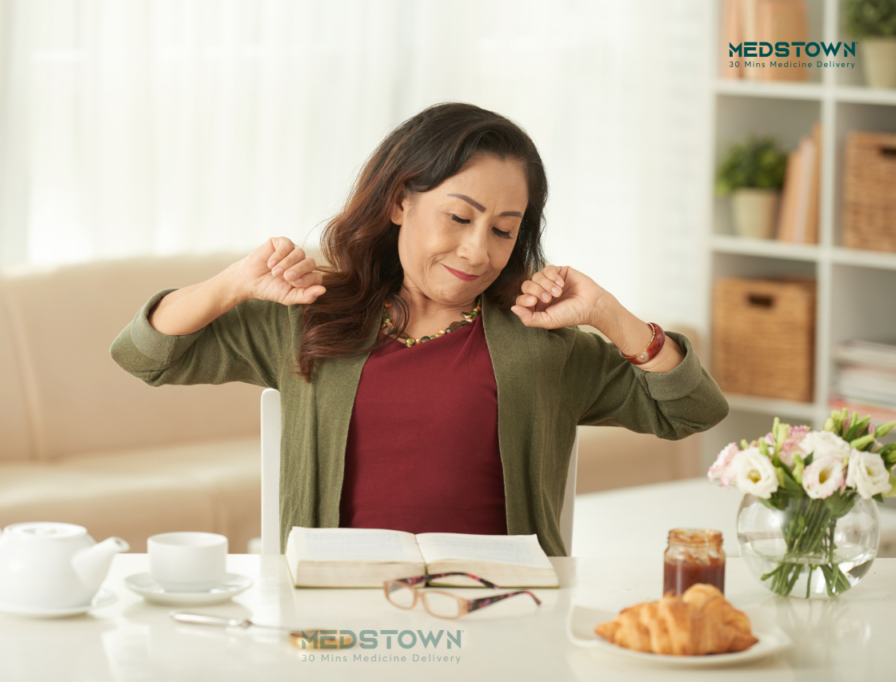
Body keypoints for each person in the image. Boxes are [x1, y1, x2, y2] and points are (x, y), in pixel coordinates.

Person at [110, 102, 729, 556]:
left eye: (503, 229)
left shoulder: (537, 342)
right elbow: (145, 355)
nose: (477, 250)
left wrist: (608, 315)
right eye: (459, 217)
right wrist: (232, 284)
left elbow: (692, 411)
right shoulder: (311, 315)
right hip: (336, 611)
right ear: (400, 202)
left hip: (502, 613)